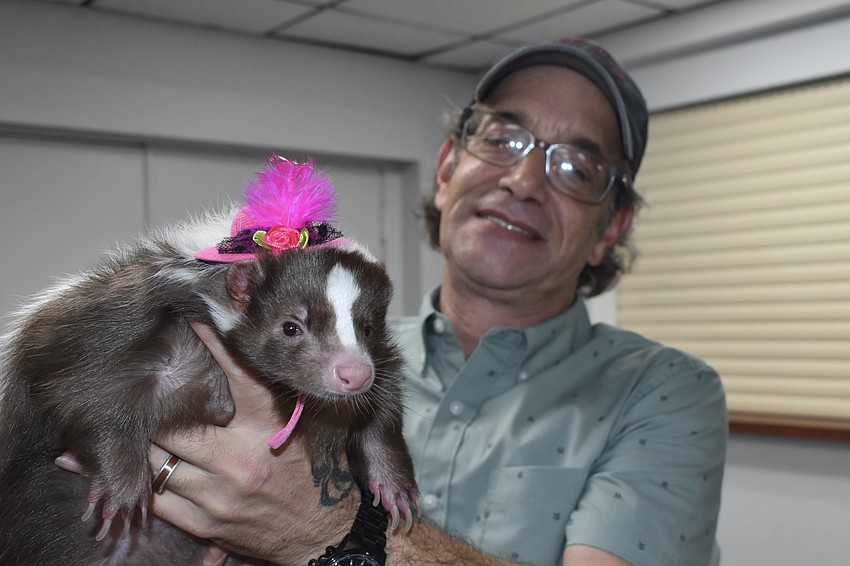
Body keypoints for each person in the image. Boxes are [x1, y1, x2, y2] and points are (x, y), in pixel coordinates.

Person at [80, 39, 728, 565]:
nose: (523, 180)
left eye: (576, 168)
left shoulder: (663, 392)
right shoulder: (332, 351)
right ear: (446, 168)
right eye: (503, 139)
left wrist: (329, 530)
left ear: (612, 226)